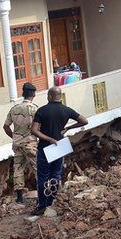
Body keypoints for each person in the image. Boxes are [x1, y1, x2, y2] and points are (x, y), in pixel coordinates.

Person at [30, 86, 87, 215]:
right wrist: (68, 128)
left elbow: (34, 130)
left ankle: (41, 206)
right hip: (60, 146)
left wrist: (49, 139)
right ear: (60, 96)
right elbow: (84, 121)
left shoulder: (42, 111)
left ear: (49, 96)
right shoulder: (66, 110)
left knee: (43, 177)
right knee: (55, 176)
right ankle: (51, 202)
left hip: (45, 147)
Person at [3, 82, 39, 203]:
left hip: (17, 143)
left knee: (18, 168)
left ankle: (19, 198)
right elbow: (39, 127)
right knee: (37, 167)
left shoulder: (14, 109)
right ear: (33, 94)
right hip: (30, 143)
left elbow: (6, 126)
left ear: (23, 93)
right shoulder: (34, 109)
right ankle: (44, 193)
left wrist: (14, 136)